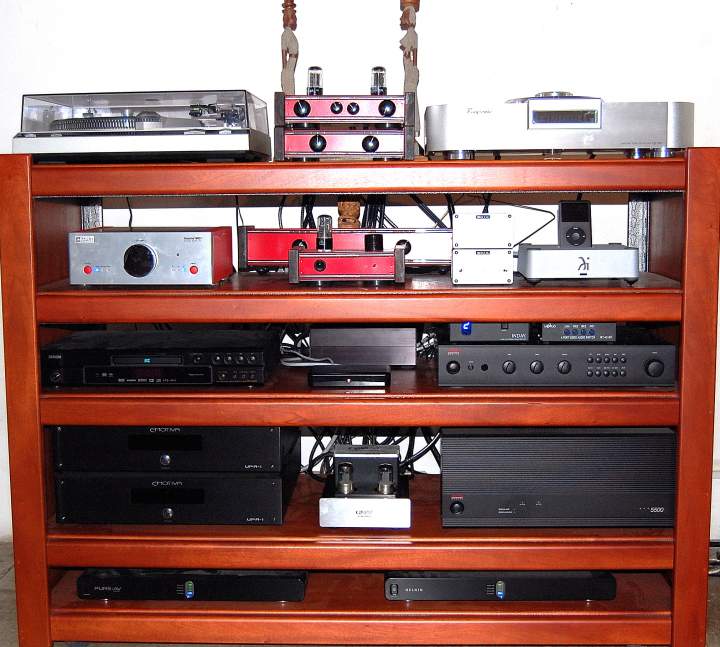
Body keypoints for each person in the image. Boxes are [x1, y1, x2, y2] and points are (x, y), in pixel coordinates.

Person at [400, 6, 419, 133]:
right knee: (409, 98)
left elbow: (412, 53)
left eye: (403, 16)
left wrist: (413, 67)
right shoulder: (412, 34)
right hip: (410, 71)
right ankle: (411, 128)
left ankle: (412, 128)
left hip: (410, 71)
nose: (400, 19)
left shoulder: (412, 34)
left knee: (410, 98)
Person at [281, 2, 299, 94]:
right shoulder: (286, 33)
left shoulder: (290, 33)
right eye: (294, 19)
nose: (295, 22)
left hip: (292, 61)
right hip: (290, 62)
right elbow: (284, 51)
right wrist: (285, 69)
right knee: (288, 80)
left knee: (290, 79)